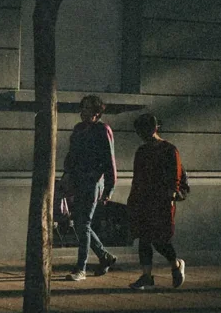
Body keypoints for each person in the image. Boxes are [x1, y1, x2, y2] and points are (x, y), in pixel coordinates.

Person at [61, 95, 118, 281]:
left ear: (96, 112)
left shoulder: (103, 130)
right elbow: (71, 155)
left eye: (86, 108)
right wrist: (67, 174)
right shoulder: (78, 129)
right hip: (77, 181)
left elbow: (110, 161)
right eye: (82, 107)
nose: (82, 111)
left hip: (92, 182)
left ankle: (81, 267)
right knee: (79, 223)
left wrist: (109, 189)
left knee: (83, 223)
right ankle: (104, 256)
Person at [126, 113, 186, 290]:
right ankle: (146, 275)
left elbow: (175, 175)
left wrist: (171, 195)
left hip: (161, 200)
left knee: (160, 239)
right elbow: (137, 178)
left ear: (154, 128)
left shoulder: (169, 149)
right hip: (144, 199)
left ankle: (175, 264)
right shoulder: (142, 151)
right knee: (144, 238)